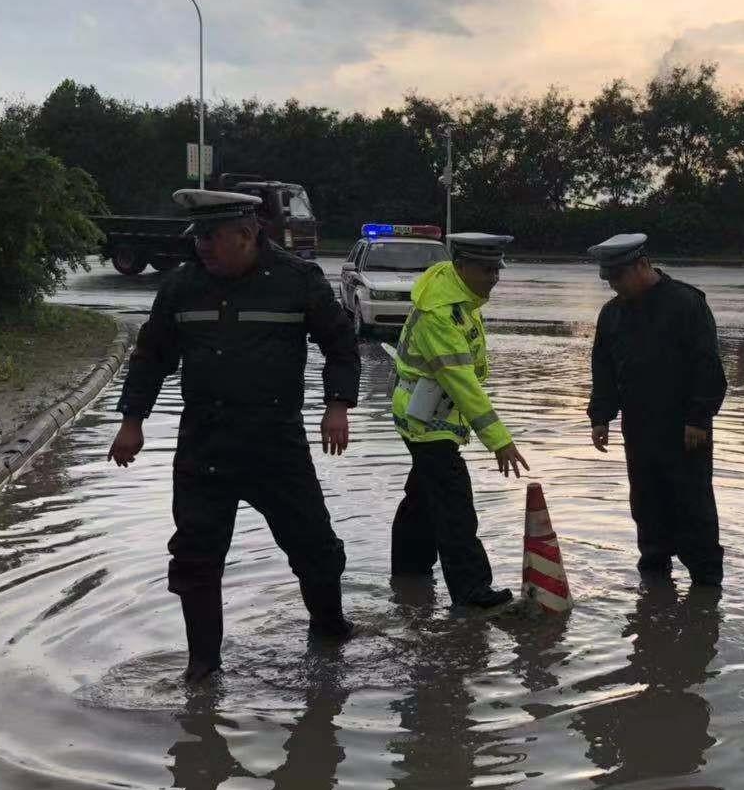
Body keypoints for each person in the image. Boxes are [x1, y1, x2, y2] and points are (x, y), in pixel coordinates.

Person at [107, 189, 361, 681]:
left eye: (210, 236)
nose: (200, 245)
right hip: (205, 444)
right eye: (196, 235)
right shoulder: (182, 287)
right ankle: (202, 670)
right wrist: (132, 421)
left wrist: (337, 407)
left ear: (246, 234)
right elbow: (151, 357)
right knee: (196, 558)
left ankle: (330, 633)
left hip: (276, 444)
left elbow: (341, 344)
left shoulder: (297, 281)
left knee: (315, 549)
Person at [390, 232, 529, 609]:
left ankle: (408, 572)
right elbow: (462, 383)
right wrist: (500, 441)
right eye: (486, 270)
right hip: (427, 424)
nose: (494, 277)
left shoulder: (456, 293)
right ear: (462, 266)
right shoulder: (440, 312)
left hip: (425, 415)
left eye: (496, 269)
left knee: (422, 498)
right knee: (454, 506)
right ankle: (471, 591)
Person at [586, 233, 727, 586]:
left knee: (693, 508)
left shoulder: (686, 303)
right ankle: (654, 580)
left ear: (643, 265)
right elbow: (603, 367)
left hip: (684, 431)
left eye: (619, 278)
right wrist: (600, 416)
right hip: (638, 427)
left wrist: (699, 418)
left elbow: (707, 365)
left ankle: (707, 584)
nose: (614, 286)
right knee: (647, 505)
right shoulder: (612, 313)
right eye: (609, 280)